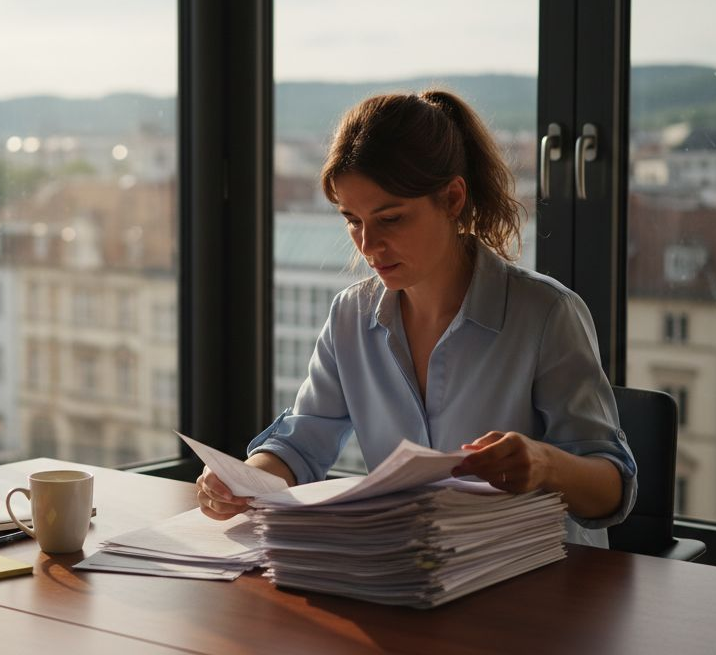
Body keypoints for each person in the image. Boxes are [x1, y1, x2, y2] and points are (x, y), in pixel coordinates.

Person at [196, 89, 636, 547]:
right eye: (353, 220)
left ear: (452, 198)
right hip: (410, 570)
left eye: (390, 219)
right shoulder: (351, 316)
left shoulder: (546, 314)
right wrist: (243, 480)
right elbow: (300, 445)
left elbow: (613, 492)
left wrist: (545, 465)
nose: (368, 246)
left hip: (538, 573)